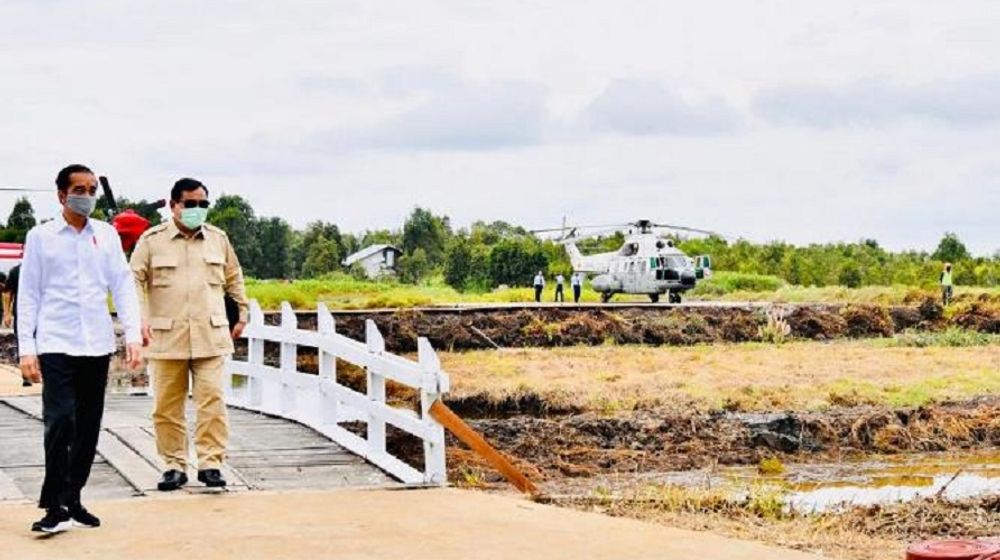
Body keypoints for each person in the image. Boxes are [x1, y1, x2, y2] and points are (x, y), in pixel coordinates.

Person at [18, 164, 143, 533]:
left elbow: (122, 285)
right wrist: (27, 348)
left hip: (96, 343)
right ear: (62, 195)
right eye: (79, 190)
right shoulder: (40, 237)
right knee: (60, 420)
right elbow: (29, 293)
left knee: (88, 425)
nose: (86, 196)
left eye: (91, 190)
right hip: (56, 341)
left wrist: (132, 335)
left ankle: (72, 497)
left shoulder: (106, 235)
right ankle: (54, 504)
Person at [130, 178, 249, 492]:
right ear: (173, 206)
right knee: (167, 407)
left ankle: (211, 464)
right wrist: (139, 318)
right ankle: (174, 465)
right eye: (190, 204)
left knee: (213, 402)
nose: (197, 209)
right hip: (167, 337)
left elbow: (233, 277)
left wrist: (242, 312)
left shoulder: (218, 239)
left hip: (210, 335)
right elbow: (134, 280)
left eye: (203, 204)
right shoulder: (152, 241)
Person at [3, 264, 31, 387]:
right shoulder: (16, 271)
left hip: (43, 314)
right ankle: (26, 376)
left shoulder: (45, 268)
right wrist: (7, 313)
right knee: (23, 342)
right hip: (22, 313)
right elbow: (8, 292)